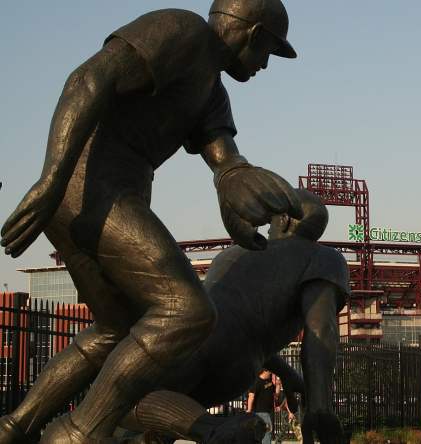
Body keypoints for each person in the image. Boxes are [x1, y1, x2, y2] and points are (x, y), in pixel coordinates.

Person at [0, 1, 302, 443]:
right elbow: (89, 79)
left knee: (114, 330)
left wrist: (235, 193)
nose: (264, 66)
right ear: (253, 33)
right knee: (188, 311)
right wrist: (51, 179)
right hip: (96, 189)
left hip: (94, 196)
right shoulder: (183, 30)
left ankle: (14, 427)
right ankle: (81, 432)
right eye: (268, 53)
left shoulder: (212, 92)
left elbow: (226, 160)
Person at [114, 190, 347, 444]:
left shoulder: (233, 254)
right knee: (162, 415)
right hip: (238, 370)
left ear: (286, 220)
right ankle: (212, 430)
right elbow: (320, 329)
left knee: (120, 400)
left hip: (192, 340)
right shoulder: (325, 258)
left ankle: (215, 429)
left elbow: (318, 330)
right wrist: (317, 402)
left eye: (271, 221)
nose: (267, 228)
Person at [247, 370, 277, 444]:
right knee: (266, 433)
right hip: (261, 412)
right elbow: (251, 396)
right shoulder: (257, 382)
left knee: (265, 433)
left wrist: (278, 385)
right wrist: (249, 410)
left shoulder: (269, 381)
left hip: (269, 412)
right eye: (270, 371)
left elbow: (276, 394)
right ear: (265, 371)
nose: (271, 373)